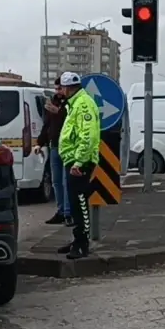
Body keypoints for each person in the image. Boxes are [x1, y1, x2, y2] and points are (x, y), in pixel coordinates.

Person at [56, 72, 101, 259]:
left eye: (61, 88)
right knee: (75, 203)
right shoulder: (74, 104)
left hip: (78, 162)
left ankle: (82, 244)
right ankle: (78, 239)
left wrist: (79, 162)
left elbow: (87, 136)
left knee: (79, 202)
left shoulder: (82, 104)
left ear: (68, 88)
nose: (59, 91)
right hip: (73, 160)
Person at [34, 77, 71, 226]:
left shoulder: (71, 103)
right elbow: (47, 125)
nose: (58, 92)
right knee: (56, 181)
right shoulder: (53, 102)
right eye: (56, 89)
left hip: (68, 147)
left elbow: (71, 120)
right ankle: (61, 211)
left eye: (60, 88)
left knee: (66, 181)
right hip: (54, 146)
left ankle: (69, 213)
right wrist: (39, 143)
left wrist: (58, 112)